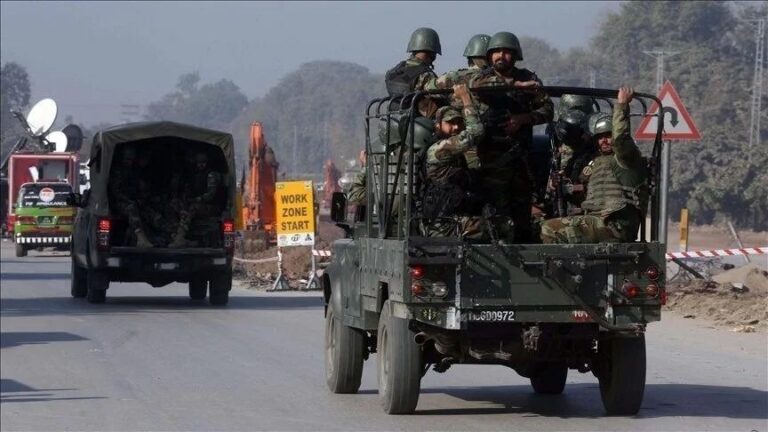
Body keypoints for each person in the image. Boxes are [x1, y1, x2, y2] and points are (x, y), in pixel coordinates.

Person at [468, 31, 555, 242]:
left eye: (506, 52)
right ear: (489, 56)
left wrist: (523, 119)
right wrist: (515, 86)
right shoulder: (481, 78)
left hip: (520, 159)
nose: (501, 56)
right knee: (493, 215)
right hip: (489, 161)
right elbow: (477, 87)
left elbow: (547, 110)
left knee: (522, 214)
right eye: (496, 51)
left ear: (515, 56)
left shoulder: (528, 78)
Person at [540, 86, 648, 244]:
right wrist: (562, 186)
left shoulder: (625, 158)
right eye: (600, 137)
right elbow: (585, 196)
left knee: (548, 229)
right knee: (542, 226)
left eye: (608, 135)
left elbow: (621, 139)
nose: (604, 141)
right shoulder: (597, 163)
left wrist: (622, 105)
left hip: (615, 225)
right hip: (597, 222)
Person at [421, 84, 486, 239]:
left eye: (459, 122)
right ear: (438, 125)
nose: (456, 127)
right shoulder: (441, 148)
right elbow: (476, 132)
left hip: (451, 219)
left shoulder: (451, 149)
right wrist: (465, 98)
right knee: (504, 226)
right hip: (442, 226)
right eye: (450, 123)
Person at [168, 151, 226, 248]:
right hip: (200, 205)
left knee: (193, 208)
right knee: (175, 204)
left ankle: (180, 237)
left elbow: (210, 195)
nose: (201, 165)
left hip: (212, 207)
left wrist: (197, 199)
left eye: (203, 163)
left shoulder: (211, 175)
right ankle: (174, 232)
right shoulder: (196, 175)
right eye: (199, 163)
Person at [385, 27, 443, 117]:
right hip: (418, 119)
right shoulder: (426, 75)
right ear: (432, 53)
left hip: (395, 118)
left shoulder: (393, 72)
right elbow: (440, 97)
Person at [109, 145, 155, 248]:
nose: (129, 162)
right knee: (131, 208)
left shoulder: (134, 171)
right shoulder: (117, 172)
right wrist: (130, 200)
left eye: (131, 159)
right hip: (120, 203)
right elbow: (116, 192)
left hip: (134, 201)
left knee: (150, 212)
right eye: (127, 159)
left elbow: (140, 189)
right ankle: (140, 237)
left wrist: (141, 199)